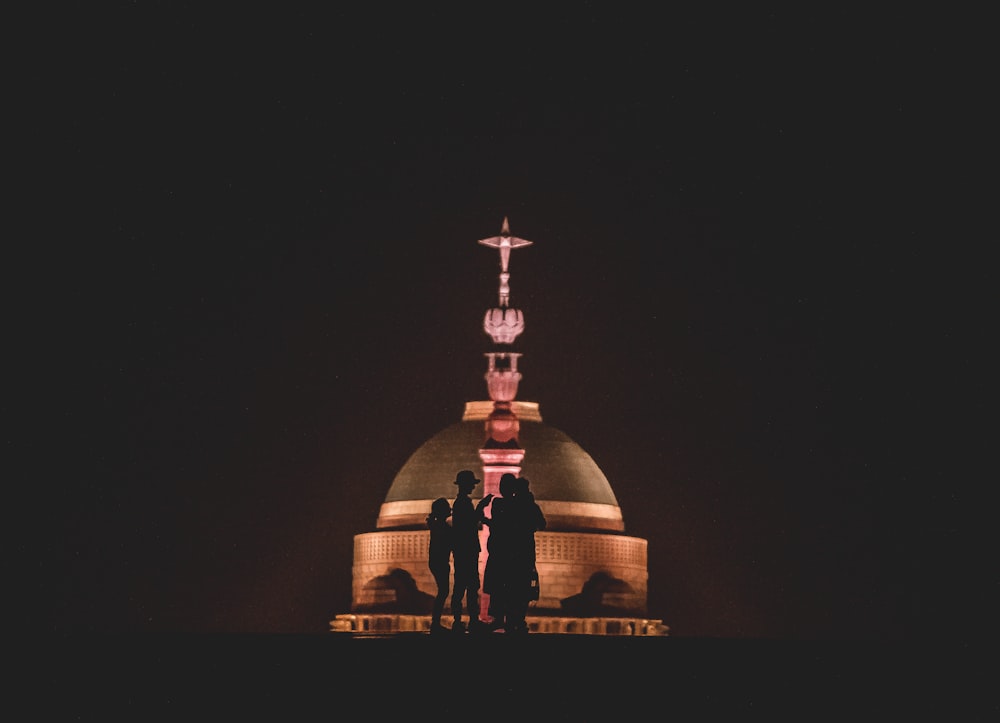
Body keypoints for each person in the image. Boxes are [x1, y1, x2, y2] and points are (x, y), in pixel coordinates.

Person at [506, 476, 546, 634]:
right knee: (523, 587)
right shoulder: (532, 506)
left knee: (511, 585)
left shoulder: (511, 505)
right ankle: (520, 620)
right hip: (526, 549)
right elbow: (542, 524)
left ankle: (510, 620)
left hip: (511, 550)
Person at [450, 469, 487, 633]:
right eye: (471, 484)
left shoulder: (461, 502)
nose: (473, 487)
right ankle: (465, 621)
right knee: (468, 587)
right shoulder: (462, 503)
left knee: (466, 587)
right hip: (466, 550)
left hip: (463, 550)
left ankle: (465, 620)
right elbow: (469, 524)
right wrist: (481, 507)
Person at [480, 472, 518, 631]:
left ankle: (498, 618)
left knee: (497, 587)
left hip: (499, 552)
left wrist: (481, 512)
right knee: (508, 586)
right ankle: (510, 619)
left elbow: (496, 523)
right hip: (511, 553)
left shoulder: (498, 504)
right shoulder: (518, 505)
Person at [426, 497, 453, 634]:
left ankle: (435, 623)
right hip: (439, 562)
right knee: (443, 591)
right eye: (448, 508)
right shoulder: (441, 528)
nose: (450, 509)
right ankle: (435, 623)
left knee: (443, 591)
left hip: (437, 562)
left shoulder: (436, 526)